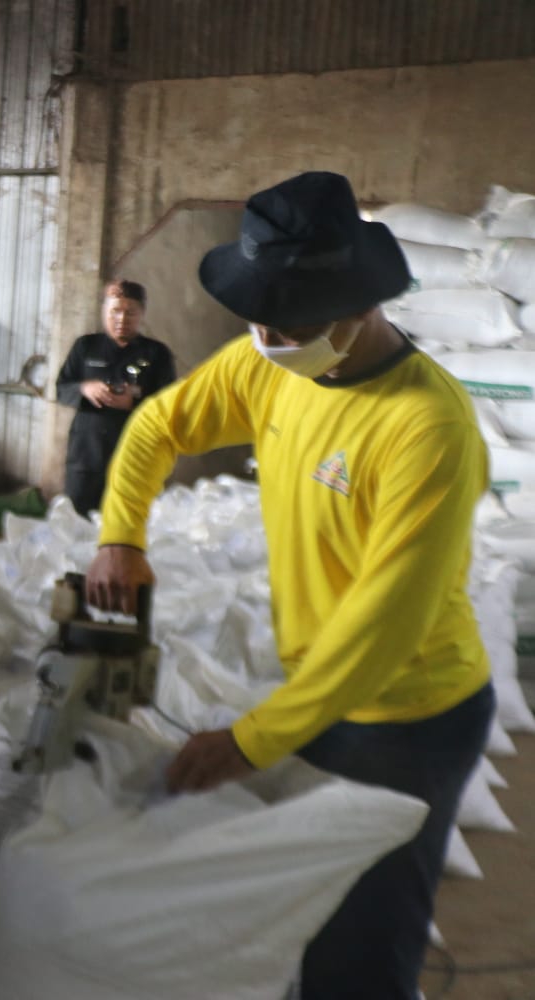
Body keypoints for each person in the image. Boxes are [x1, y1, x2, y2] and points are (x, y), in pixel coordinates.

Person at [84, 171, 493, 1000]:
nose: (267, 338)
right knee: (303, 923)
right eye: (258, 318)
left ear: (361, 304)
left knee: (362, 954)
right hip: (322, 693)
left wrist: (250, 741)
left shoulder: (425, 427)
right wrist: (121, 536)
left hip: (409, 717)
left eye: (289, 322)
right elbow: (158, 425)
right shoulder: (270, 364)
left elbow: (384, 625)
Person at [55, 279, 176, 517]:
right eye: (115, 311)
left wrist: (134, 401)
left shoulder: (156, 353)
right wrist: (85, 389)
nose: (122, 318)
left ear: (142, 314)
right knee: (78, 519)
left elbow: (170, 403)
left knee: (128, 518)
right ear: (104, 311)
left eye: (130, 312)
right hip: (86, 454)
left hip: (135, 454)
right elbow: (61, 389)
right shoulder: (85, 346)